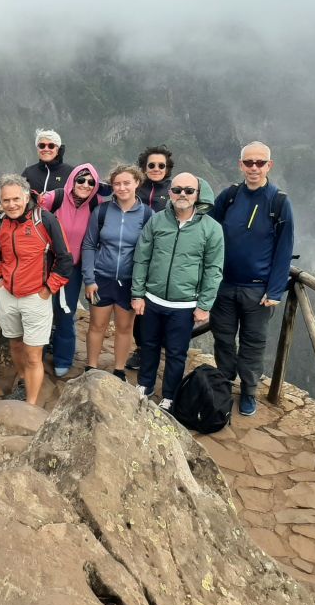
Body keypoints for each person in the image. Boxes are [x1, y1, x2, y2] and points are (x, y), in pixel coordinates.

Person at [210, 141, 295, 417]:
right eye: (249, 162)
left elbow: (285, 248)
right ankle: (224, 381)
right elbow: (209, 228)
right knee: (223, 337)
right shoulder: (230, 196)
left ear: (269, 166)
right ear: (241, 165)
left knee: (253, 342)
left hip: (257, 290)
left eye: (260, 163)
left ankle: (248, 390)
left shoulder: (279, 202)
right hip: (224, 284)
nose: (254, 168)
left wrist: (275, 290)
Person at [131, 173, 224, 411]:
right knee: (149, 345)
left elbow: (214, 269)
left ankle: (169, 395)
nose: (183, 194)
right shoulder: (157, 221)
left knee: (176, 353)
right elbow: (142, 258)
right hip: (152, 299)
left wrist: (205, 304)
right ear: (170, 192)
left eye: (189, 190)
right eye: (178, 189)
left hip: (184, 305)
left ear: (198, 194)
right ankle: (145, 385)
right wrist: (137, 294)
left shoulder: (211, 229)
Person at [0, 174, 73, 405]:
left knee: (33, 355)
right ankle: (22, 380)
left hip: (36, 296)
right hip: (8, 293)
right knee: (15, 344)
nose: (11, 204)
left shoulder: (44, 220)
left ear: (26, 196)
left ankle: (30, 405)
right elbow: (0, 253)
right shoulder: (1, 222)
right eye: (6, 200)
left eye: (16, 199)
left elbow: (65, 259)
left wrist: (49, 289)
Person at [82, 165, 153, 380]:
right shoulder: (102, 211)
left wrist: (142, 285)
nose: (121, 188)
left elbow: (151, 250)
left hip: (130, 280)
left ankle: (119, 370)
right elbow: (89, 244)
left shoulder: (148, 214)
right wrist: (89, 278)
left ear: (137, 183)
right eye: (117, 184)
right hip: (101, 278)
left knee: (125, 327)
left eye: (126, 183)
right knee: (97, 325)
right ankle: (91, 367)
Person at [39, 163, 102, 377]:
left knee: (66, 313)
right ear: (72, 180)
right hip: (45, 264)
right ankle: (36, 353)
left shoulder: (95, 204)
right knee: (40, 309)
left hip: (72, 269)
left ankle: (63, 357)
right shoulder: (53, 199)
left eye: (91, 182)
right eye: (81, 180)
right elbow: (32, 216)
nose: (85, 185)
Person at [126, 145, 175, 371]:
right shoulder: (136, 188)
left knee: (157, 303)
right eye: (151, 165)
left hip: (161, 256)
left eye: (161, 166)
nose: (156, 169)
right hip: (133, 253)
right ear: (144, 168)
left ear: (168, 169)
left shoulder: (175, 191)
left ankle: (157, 347)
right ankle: (141, 348)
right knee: (138, 304)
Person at [22, 129, 74, 195]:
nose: (46, 149)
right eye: (42, 146)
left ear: (57, 150)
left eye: (51, 146)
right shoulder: (28, 173)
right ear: (38, 149)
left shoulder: (71, 172)